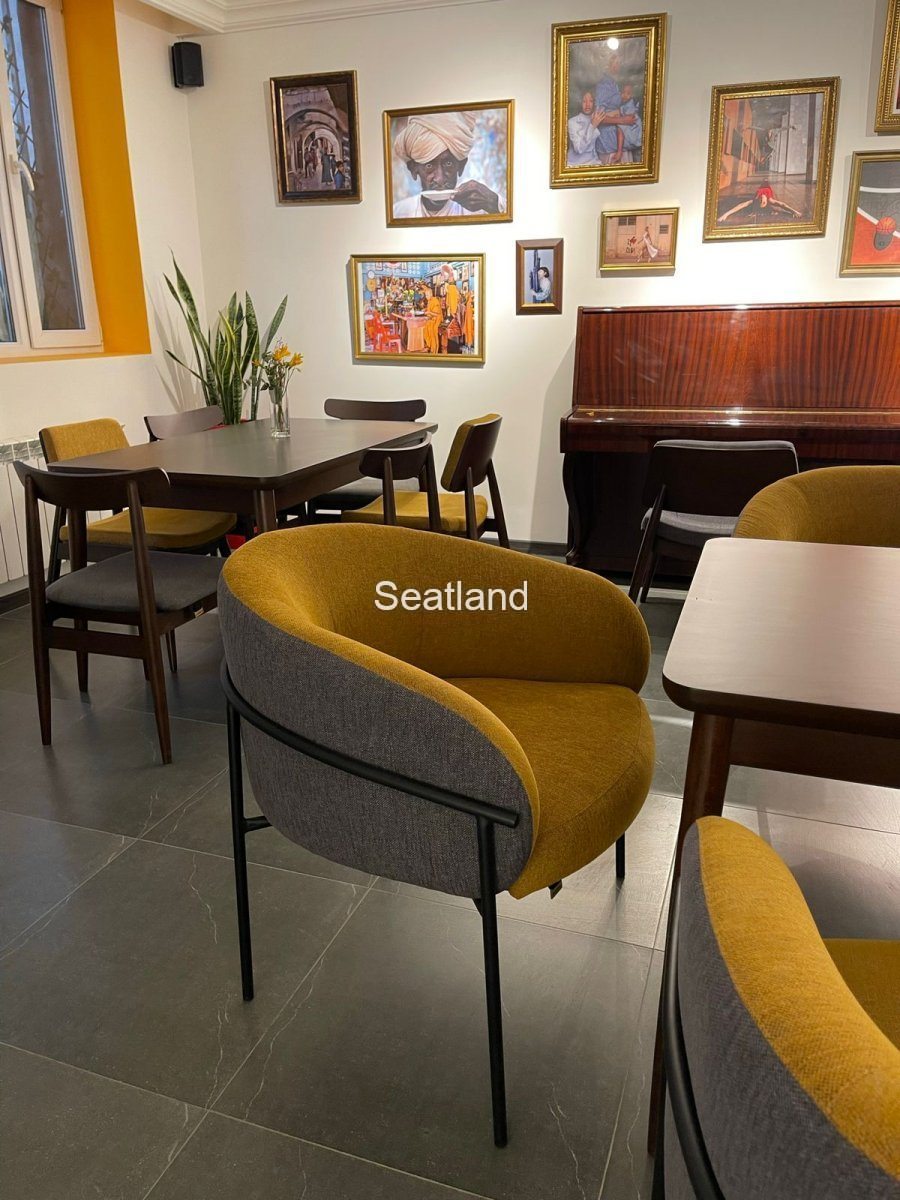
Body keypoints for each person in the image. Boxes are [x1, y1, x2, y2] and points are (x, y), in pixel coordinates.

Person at [392, 112, 501, 218]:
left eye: (448, 164)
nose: (440, 179)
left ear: (461, 166)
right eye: (429, 166)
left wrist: (493, 202)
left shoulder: (481, 211)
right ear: (413, 169)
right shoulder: (398, 213)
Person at [719, 182, 801, 223]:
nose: (762, 198)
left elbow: (741, 205)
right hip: (767, 187)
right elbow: (782, 205)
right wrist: (794, 211)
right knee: (765, 183)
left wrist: (725, 214)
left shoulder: (755, 199)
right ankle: (765, 182)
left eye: (761, 201)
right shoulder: (770, 200)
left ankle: (764, 182)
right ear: (766, 202)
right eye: (763, 201)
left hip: (761, 187)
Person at [608, 83, 643, 165]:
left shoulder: (630, 105)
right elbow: (620, 112)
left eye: (628, 93)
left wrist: (619, 119)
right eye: (623, 92)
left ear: (632, 95)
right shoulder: (625, 104)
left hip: (634, 133)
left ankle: (619, 151)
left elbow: (626, 119)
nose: (625, 95)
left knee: (619, 127)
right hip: (635, 137)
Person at [567, 91, 604, 166]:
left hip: (593, 161)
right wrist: (592, 126)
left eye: (591, 101)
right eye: (584, 101)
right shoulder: (572, 122)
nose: (587, 105)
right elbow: (579, 149)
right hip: (576, 164)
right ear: (579, 102)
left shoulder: (596, 117)